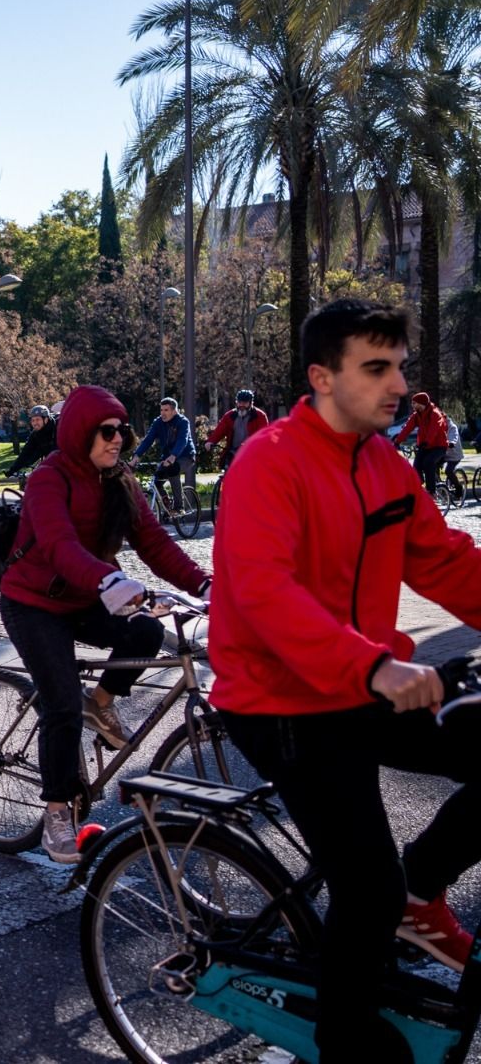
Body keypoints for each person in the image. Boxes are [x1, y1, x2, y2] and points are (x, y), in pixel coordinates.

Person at [209, 299, 481, 1064]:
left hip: (366, 683)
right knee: (366, 890)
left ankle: (421, 892)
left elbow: (445, 561)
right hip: (283, 702)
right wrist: (375, 664)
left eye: (400, 366)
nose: (398, 384)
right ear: (323, 377)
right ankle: (346, 1042)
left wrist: (377, 669)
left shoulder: (382, 462)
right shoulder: (269, 461)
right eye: (377, 368)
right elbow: (265, 595)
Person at [0, 385, 210, 863]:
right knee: (60, 706)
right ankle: (57, 813)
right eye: (107, 431)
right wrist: (110, 579)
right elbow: (59, 545)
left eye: (122, 431)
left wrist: (203, 584)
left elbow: (154, 542)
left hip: (86, 595)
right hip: (33, 603)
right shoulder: (49, 478)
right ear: (80, 433)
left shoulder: (120, 479)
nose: (118, 439)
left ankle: (101, 701)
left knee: (147, 631)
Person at [133, 397, 195, 506]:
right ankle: (167, 504)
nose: (163, 413)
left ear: (174, 411)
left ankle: (179, 506)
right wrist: (137, 455)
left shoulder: (182, 422)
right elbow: (148, 440)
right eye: (161, 410)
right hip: (167, 458)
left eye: (166, 410)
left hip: (186, 456)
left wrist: (173, 456)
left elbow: (182, 440)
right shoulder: (158, 422)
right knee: (156, 482)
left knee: (172, 469)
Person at [393, 390, 451, 495]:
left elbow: (434, 430)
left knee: (428, 462)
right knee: (416, 466)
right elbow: (407, 428)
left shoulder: (435, 414)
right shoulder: (417, 415)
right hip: (425, 446)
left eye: (414, 403)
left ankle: (431, 491)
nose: (412, 405)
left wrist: (427, 442)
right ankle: (419, 489)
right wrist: (397, 442)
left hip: (439, 446)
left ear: (421, 403)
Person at [204, 389, 270, 470]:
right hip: (233, 453)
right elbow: (219, 431)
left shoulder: (260, 416)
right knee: (227, 472)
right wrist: (211, 441)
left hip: (252, 453)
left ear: (251, 403)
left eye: (245, 403)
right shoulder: (229, 416)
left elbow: (263, 436)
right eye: (239, 402)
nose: (241, 405)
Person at [7, 405, 58, 478]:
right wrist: (12, 470)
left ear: (46, 419)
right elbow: (25, 453)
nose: (35, 423)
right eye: (33, 420)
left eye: (37, 419)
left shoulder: (58, 428)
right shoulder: (35, 434)